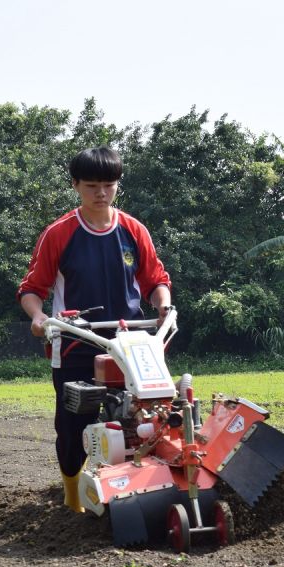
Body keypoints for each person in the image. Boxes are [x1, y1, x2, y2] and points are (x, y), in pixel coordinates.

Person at [18, 146, 172, 512]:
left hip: (131, 344)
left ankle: (141, 491)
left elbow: (154, 279)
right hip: (76, 343)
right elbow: (32, 289)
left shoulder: (134, 230)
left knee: (148, 421)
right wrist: (39, 318)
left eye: (108, 185)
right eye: (91, 186)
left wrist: (163, 304)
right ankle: (73, 498)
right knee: (73, 429)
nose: (101, 193)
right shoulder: (60, 233)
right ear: (75, 186)